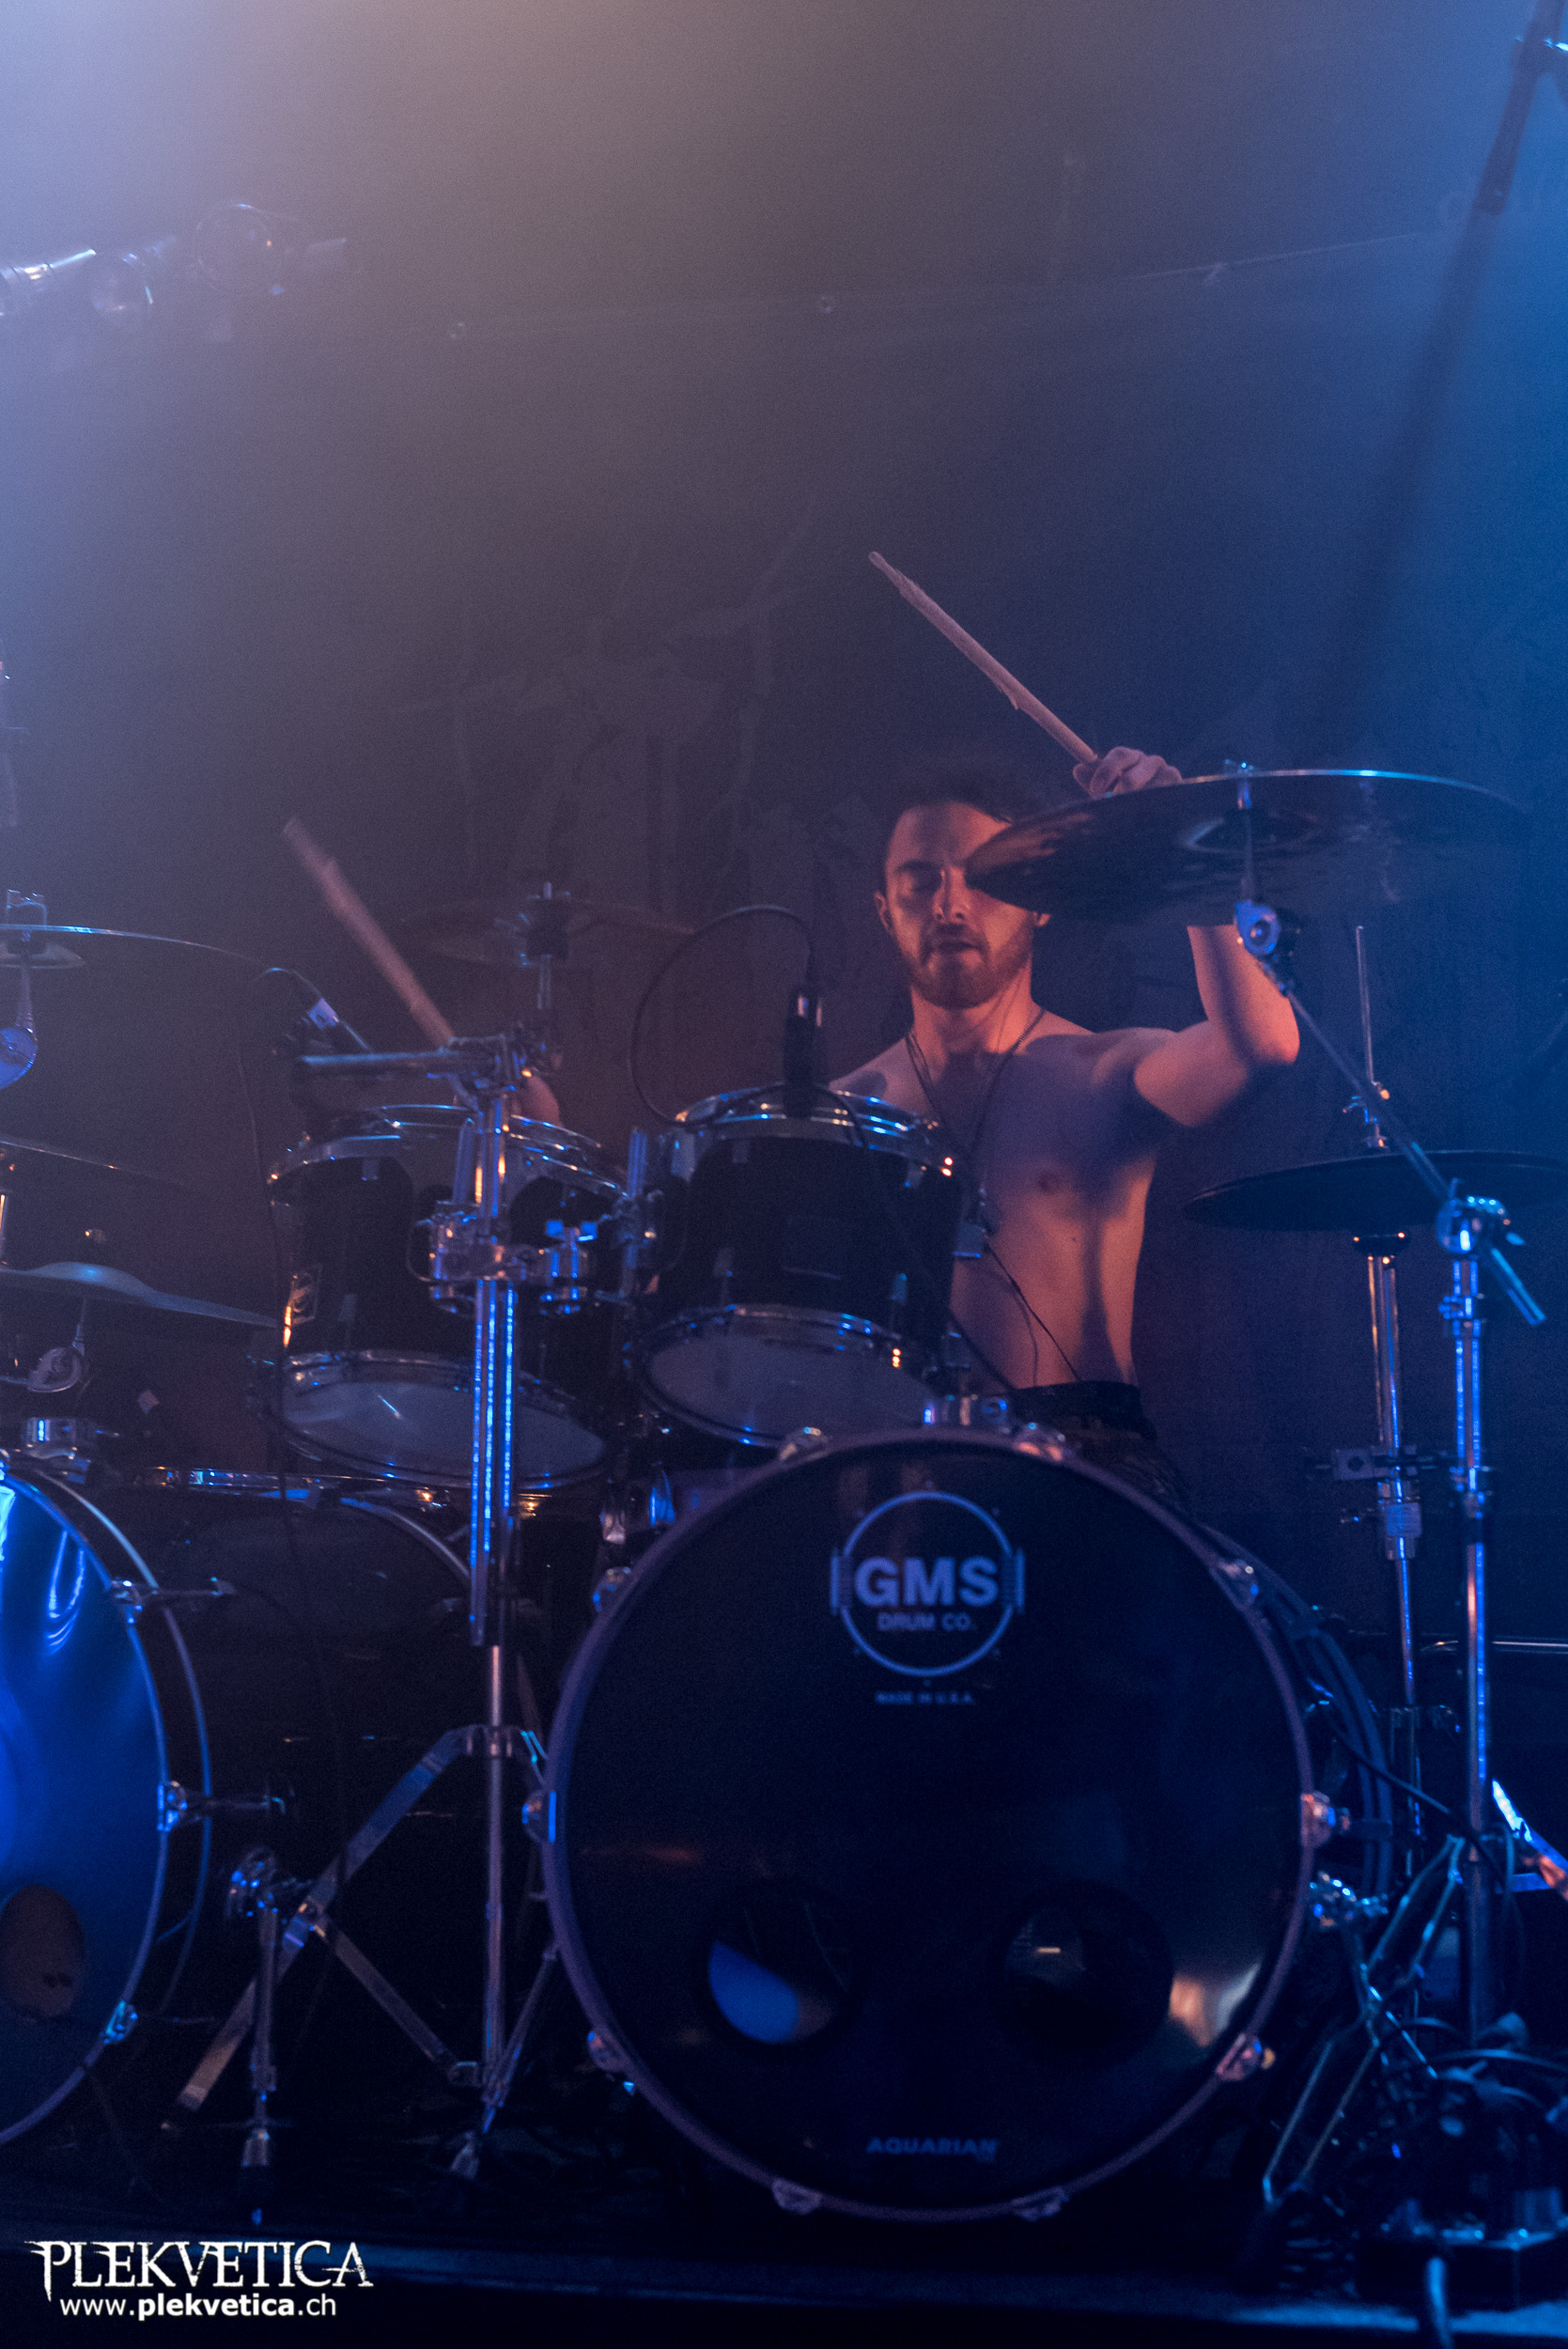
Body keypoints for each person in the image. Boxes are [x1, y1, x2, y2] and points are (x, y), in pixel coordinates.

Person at [831, 746, 1299, 1500]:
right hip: (901, 1461)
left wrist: (1185, 846)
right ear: (885, 910)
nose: (949, 905)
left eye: (979, 876)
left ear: (1037, 899)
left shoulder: (1105, 1070)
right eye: (919, 881)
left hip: (1089, 1458)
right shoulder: (842, 1112)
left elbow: (1262, 1047)